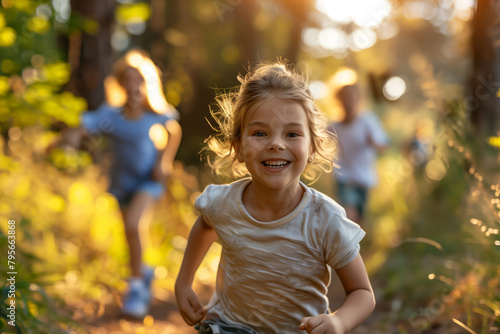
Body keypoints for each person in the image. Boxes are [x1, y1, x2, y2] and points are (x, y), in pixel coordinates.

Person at [175, 62, 375, 334]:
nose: (276, 144)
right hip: (228, 327)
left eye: (292, 134)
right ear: (239, 147)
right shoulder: (223, 203)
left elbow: (362, 292)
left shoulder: (324, 219)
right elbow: (206, 225)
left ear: (313, 147)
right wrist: (184, 281)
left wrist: (338, 321)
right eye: (260, 133)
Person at [47, 49, 182, 318]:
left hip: (148, 182)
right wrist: (57, 143)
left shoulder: (154, 113)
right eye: (128, 80)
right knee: (131, 235)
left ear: (147, 82)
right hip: (122, 185)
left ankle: (137, 292)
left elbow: (173, 130)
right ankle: (142, 274)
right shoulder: (111, 115)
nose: (134, 85)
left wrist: (162, 162)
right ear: (120, 84)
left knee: (134, 224)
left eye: (139, 79)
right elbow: (81, 129)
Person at [328, 83, 387, 225]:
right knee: (349, 213)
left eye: (352, 97)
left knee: (358, 219)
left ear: (358, 99)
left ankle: (355, 245)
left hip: (364, 177)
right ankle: (345, 245)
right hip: (344, 176)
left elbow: (383, 148)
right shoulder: (334, 126)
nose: (348, 101)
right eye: (345, 98)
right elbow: (315, 139)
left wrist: (373, 142)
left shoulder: (368, 121)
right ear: (339, 101)